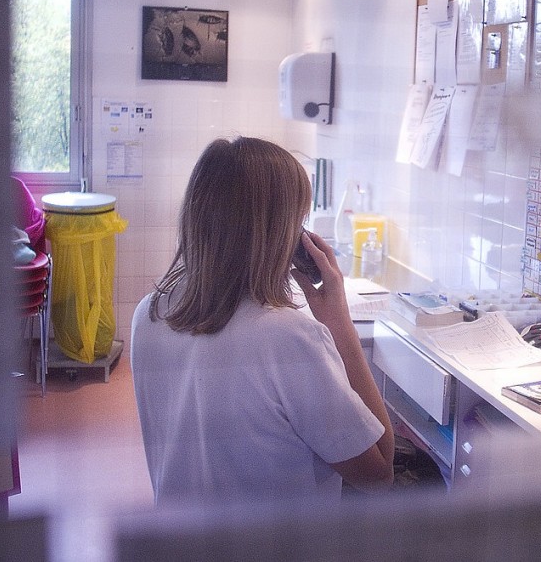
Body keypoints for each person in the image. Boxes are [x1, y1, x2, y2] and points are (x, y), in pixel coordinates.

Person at [130, 137, 394, 504]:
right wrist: (338, 322)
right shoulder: (288, 337)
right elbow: (378, 473)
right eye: (298, 221)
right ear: (279, 233)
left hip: (182, 532)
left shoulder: (150, 313)